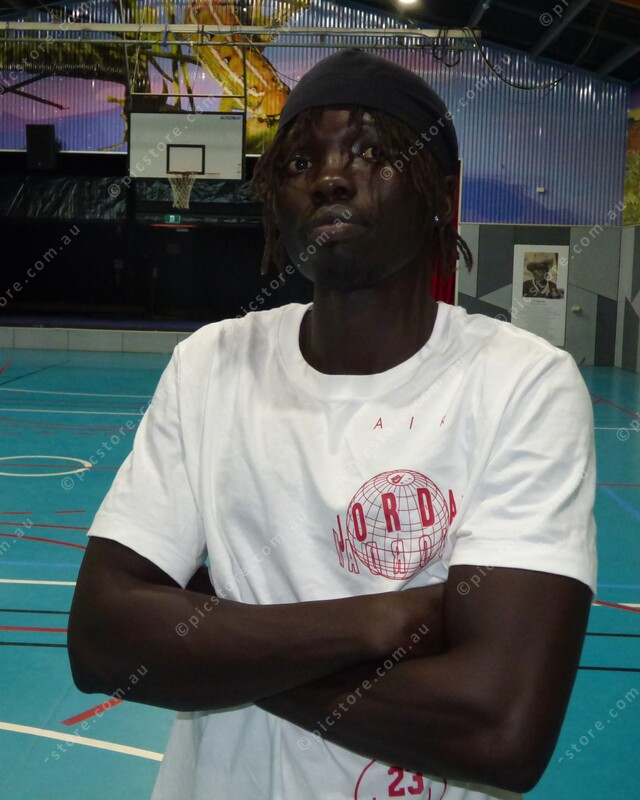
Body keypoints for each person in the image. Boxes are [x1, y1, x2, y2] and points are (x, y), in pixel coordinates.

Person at [68, 49, 597, 800]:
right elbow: (100, 642)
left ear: (442, 192)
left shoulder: (523, 384)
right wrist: (380, 622)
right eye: (299, 162)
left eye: (373, 153)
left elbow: (498, 729)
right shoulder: (212, 363)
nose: (330, 178)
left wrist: (220, 640)